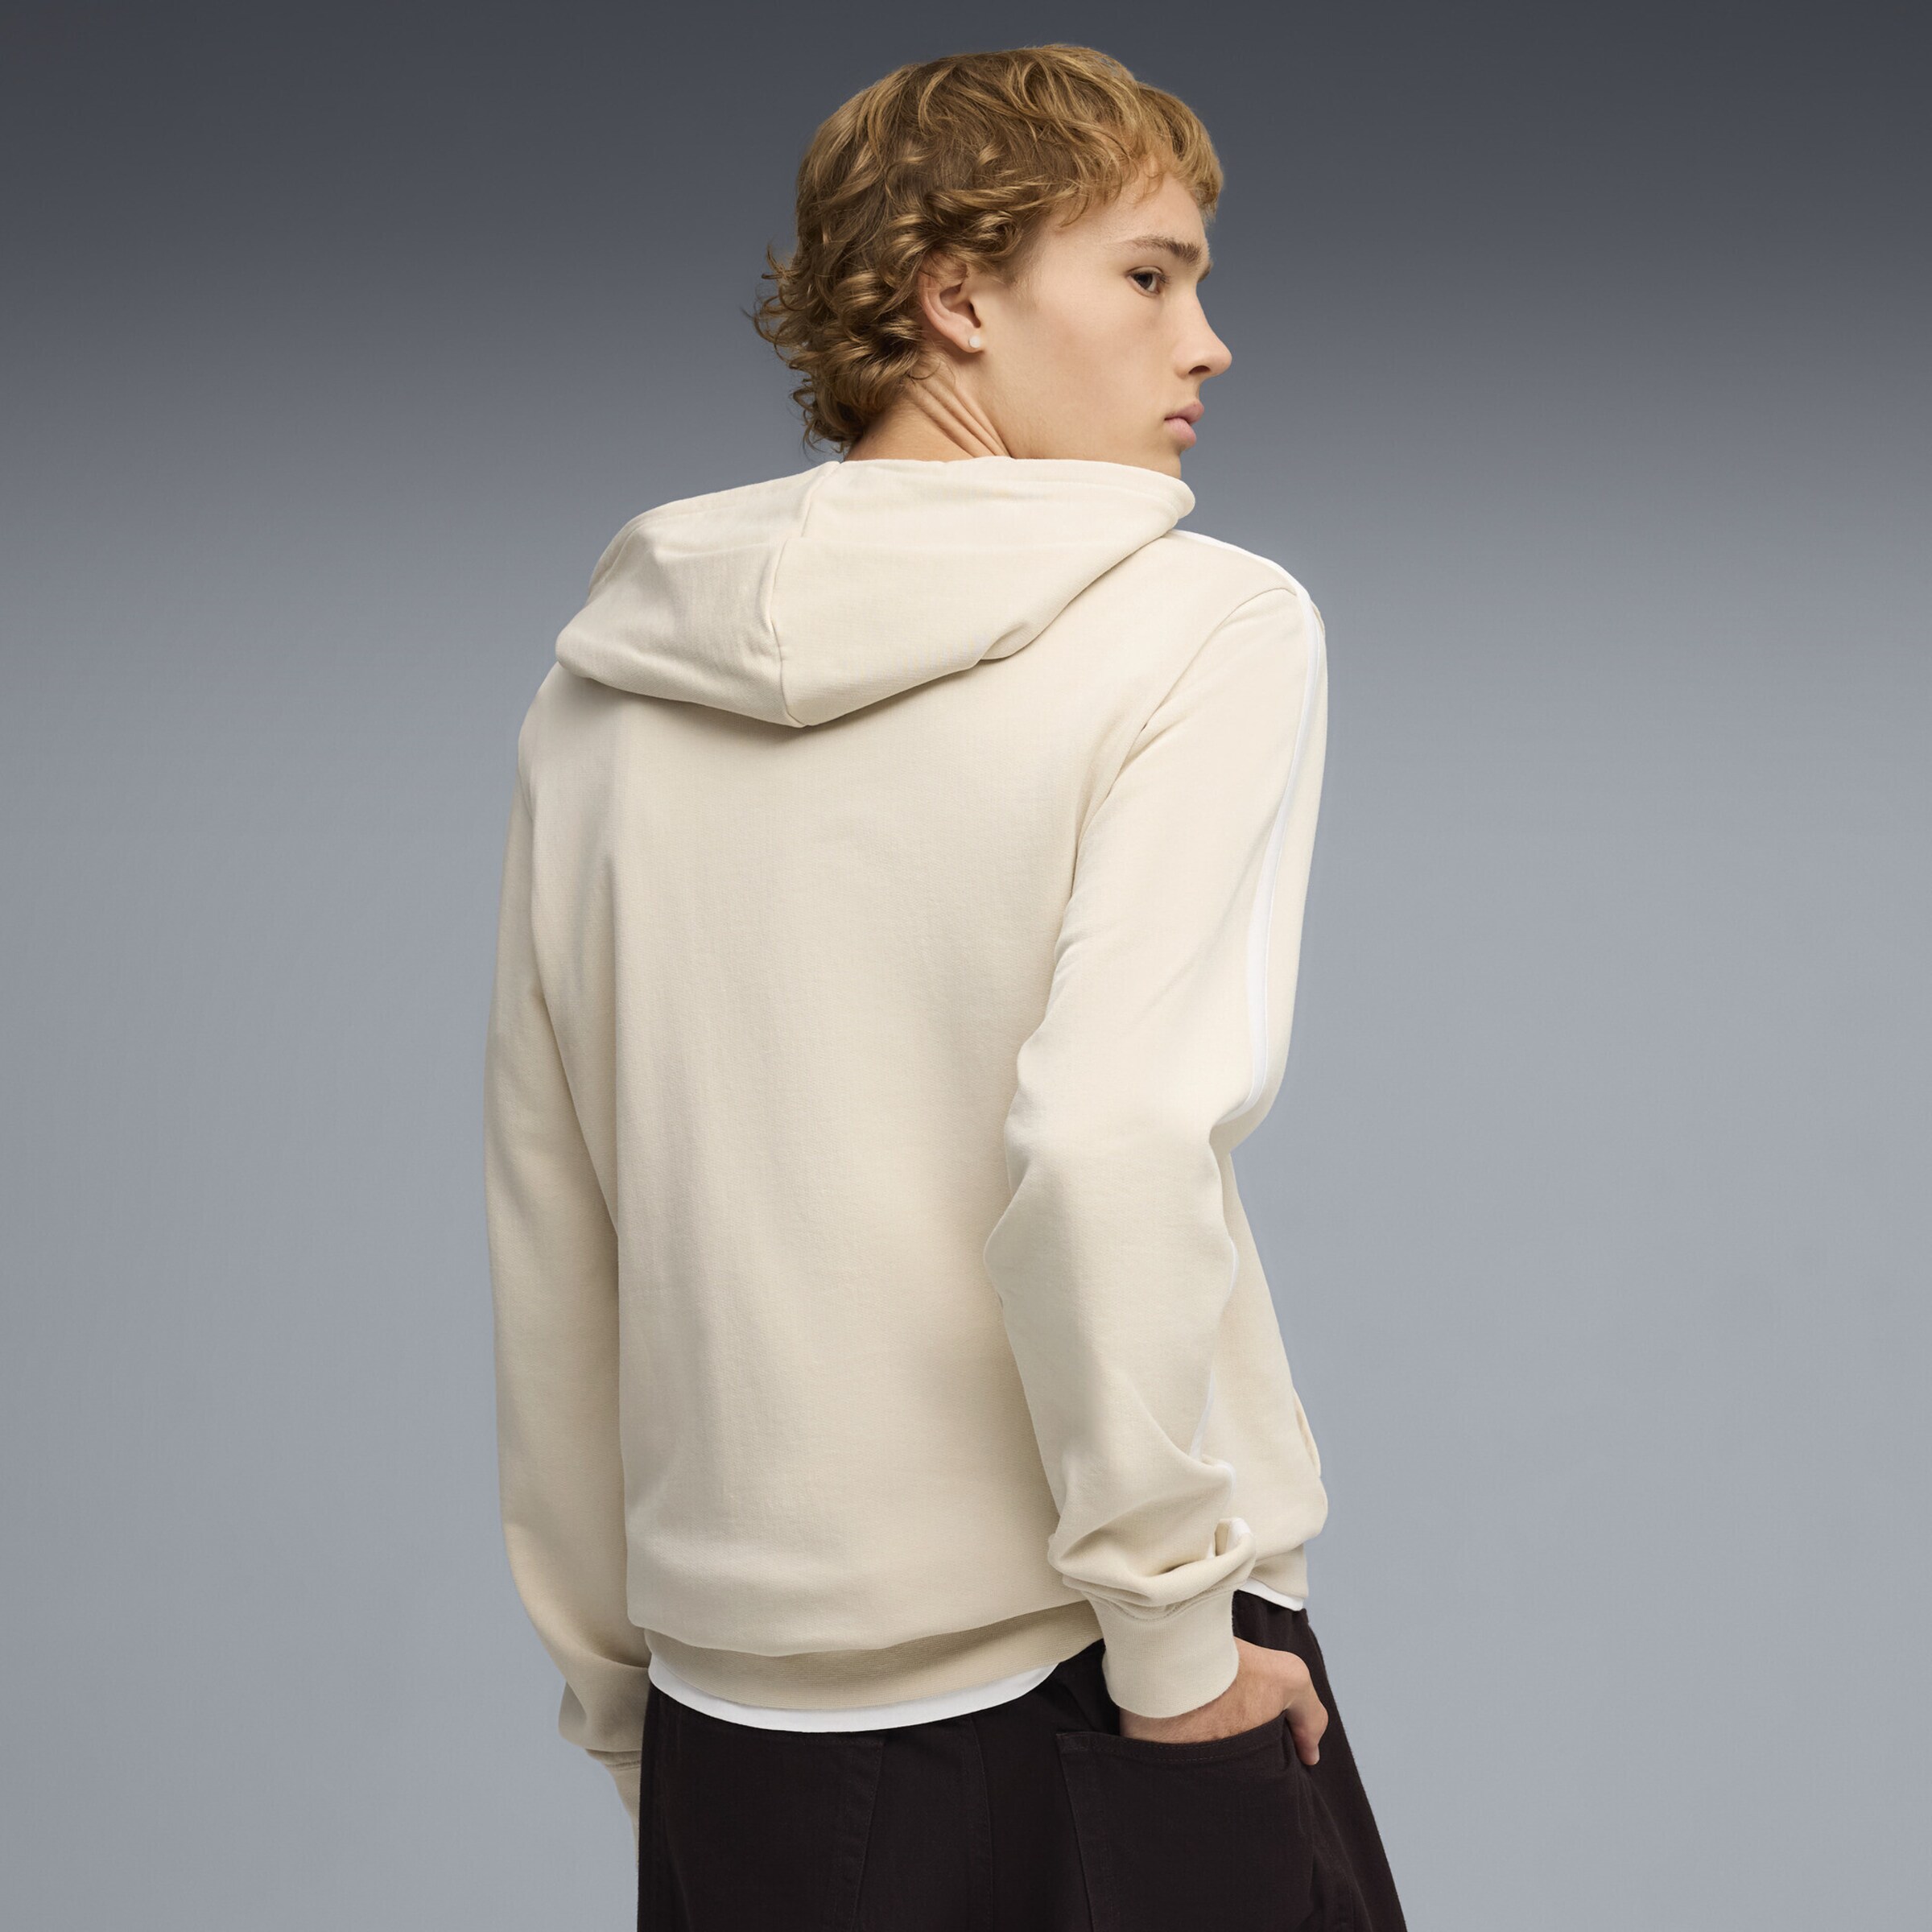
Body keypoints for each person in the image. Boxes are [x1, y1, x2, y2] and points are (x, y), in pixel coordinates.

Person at [483, 42, 1408, 1929]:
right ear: (957, 296)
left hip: (736, 1722)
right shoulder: (1201, 625)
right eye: (1149, 274)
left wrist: (627, 1711)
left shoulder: (603, 690)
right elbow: (1109, 1141)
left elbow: (556, 1222)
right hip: (1098, 1681)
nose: (1209, 341)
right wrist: (1176, 1651)